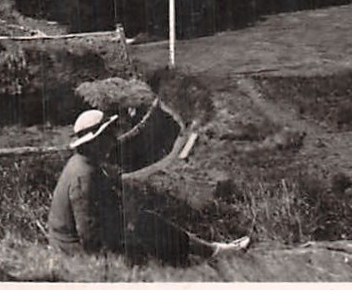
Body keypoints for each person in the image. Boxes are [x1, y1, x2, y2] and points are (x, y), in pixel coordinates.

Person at [48, 109, 251, 263]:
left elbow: (101, 216)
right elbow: (90, 237)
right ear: (94, 142)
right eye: (107, 135)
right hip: (77, 256)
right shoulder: (84, 175)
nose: (112, 140)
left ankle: (210, 252)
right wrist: (130, 243)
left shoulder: (84, 164)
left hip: (75, 248)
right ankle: (211, 254)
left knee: (147, 222)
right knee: (148, 233)